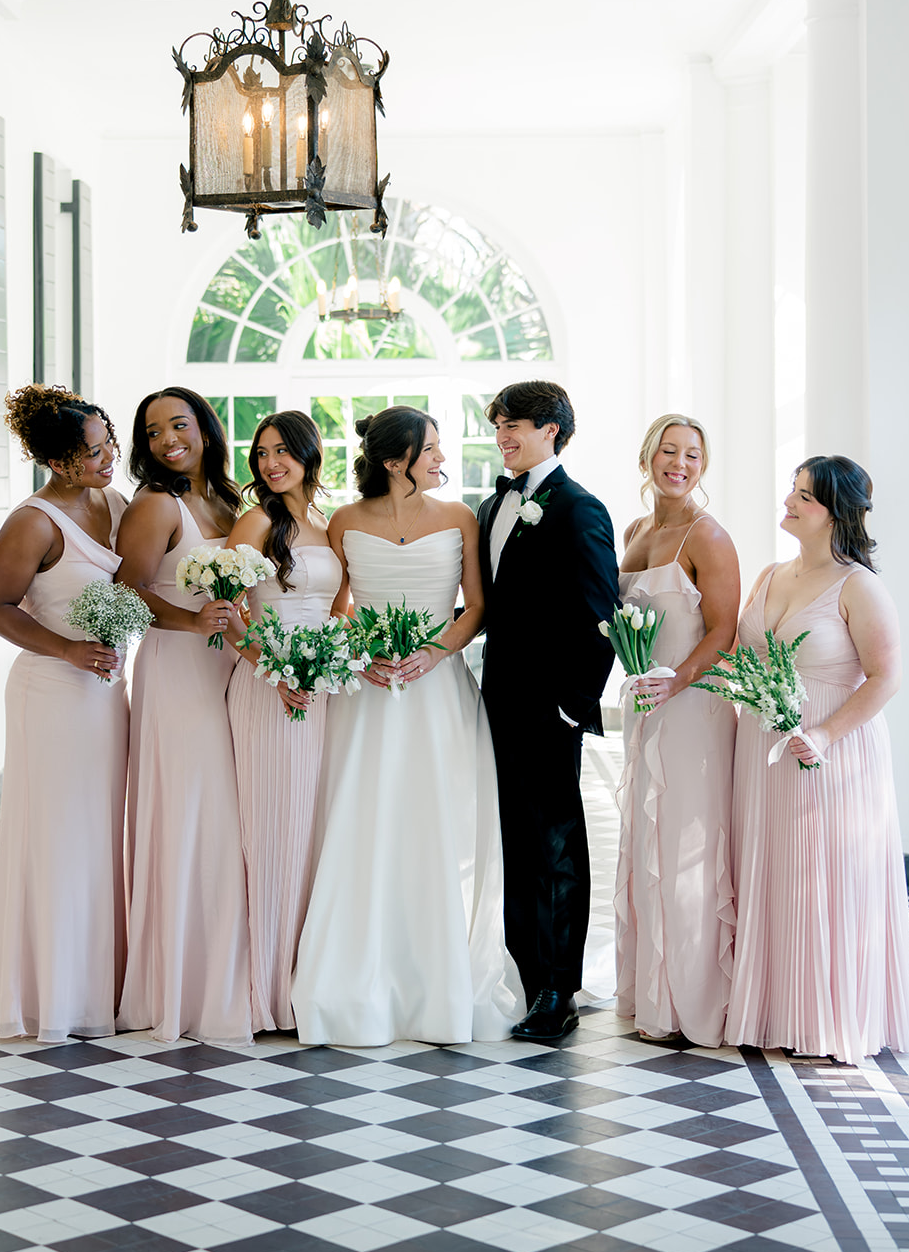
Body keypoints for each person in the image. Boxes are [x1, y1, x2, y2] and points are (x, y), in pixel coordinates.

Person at [291, 406, 522, 1046]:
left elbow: (477, 606)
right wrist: (363, 654)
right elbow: (337, 607)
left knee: (437, 826)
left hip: (438, 689)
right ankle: (358, 972)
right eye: (432, 450)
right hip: (369, 693)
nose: (442, 460)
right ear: (396, 461)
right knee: (365, 822)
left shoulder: (458, 518)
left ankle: (437, 975)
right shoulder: (344, 521)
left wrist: (435, 652)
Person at [727, 456, 909, 1064]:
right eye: (792, 488)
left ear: (836, 513)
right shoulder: (768, 574)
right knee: (773, 871)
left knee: (822, 878)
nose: (788, 501)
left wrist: (828, 735)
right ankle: (773, 1009)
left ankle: (828, 1016)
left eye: (804, 496)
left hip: (831, 752)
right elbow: (739, 656)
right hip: (764, 745)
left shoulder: (859, 585)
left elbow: (886, 678)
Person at [0, 384, 128, 1041]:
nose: (109, 457)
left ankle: (104, 985)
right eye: (94, 451)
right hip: (51, 692)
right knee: (60, 837)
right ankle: (53, 995)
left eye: (109, 441)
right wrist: (69, 648)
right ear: (58, 461)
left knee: (104, 836)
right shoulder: (33, 521)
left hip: (106, 697)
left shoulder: (115, 504)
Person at [478, 380, 620, 1040]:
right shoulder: (490, 505)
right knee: (514, 843)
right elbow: (493, 609)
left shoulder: (579, 509)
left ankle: (557, 991)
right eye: (499, 423)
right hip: (497, 702)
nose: (503, 433)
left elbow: (600, 614)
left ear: (552, 430)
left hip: (550, 709)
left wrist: (573, 705)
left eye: (516, 424)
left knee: (557, 845)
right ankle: (526, 978)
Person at [114, 387, 252, 1045]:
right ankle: (180, 986)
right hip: (178, 671)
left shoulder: (228, 500)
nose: (167, 437)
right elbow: (125, 594)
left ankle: (229, 974)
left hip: (230, 667)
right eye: (153, 429)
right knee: (193, 817)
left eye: (179, 422)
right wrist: (193, 619)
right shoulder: (155, 504)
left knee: (231, 816)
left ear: (205, 427)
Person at [613, 414, 740, 1045]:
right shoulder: (636, 530)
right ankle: (652, 997)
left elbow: (723, 631)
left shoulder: (707, 535)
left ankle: (694, 1001)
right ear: (648, 457)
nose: (680, 464)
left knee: (687, 851)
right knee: (649, 844)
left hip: (692, 705)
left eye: (693, 454)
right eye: (669, 451)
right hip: (647, 707)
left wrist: (676, 680)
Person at [226, 411, 342, 1034]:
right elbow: (228, 609)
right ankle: (267, 989)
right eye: (261, 453)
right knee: (272, 830)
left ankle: (309, 979)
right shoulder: (256, 521)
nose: (270, 463)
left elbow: (341, 607)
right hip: (269, 688)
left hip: (322, 688)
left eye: (281, 451)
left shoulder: (330, 524)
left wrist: (328, 664)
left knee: (314, 831)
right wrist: (275, 671)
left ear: (308, 454)